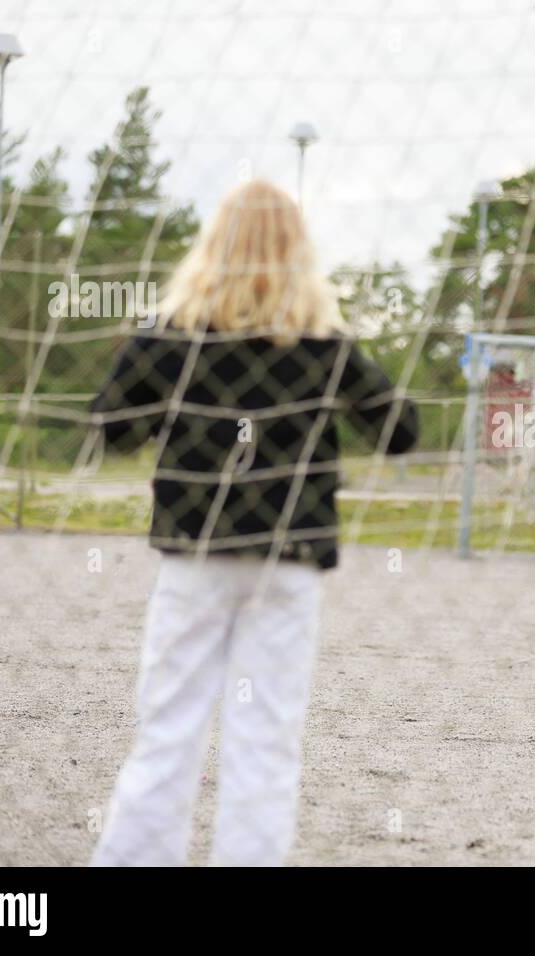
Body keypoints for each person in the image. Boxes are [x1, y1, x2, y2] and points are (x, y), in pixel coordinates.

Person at [88, 179, 418, 865]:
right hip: (285, 562)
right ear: (300, 255)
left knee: (167, 730)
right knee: (265, 742)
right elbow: (401, 431)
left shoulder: (173, 338)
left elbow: (110, 428)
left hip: (197, 555)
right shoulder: (324, 347)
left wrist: (161, 384)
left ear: (213, 248)